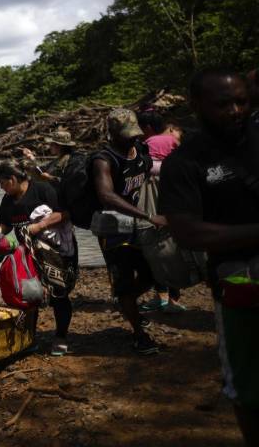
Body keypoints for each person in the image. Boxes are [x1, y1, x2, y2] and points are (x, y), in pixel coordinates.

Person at [160, 67, 259, 445]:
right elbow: (188, 232)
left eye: (241, 102)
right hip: (238, 287)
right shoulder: (185, 162)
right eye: (222, 104)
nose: (234, 110)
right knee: (249, 388)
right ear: (196, 105)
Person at [89, 108, 167, 355]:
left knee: (153, 273)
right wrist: (147, 215)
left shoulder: (140, 151)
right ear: (112, 133)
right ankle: (139, 335)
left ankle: (127, 301)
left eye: (135, 133)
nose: (133, 138)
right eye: (127, 135)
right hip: (114, 229)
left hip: (139, 224)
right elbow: (106, 196)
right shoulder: (104, 159)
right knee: (124, 280)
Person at [0, 162, 77, 356]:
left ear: (13, 179)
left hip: (54, 250)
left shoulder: (43, 189)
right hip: (26, 253)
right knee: (28, 292)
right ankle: (30, 336)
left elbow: (66, 213)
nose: (2, 188)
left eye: (3, 183)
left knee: (59, 293)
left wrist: (39, 226)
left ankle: (60, 337)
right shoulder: (7, 200)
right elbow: (5, 226)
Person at [140, 114, 185, 313]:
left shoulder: (146, 143)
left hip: (151, 195)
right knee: (175, 243)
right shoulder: (174, 142)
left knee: (154, 245)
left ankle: (162, 296)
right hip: (175, 194)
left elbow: (140, 169)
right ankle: (174, 298)